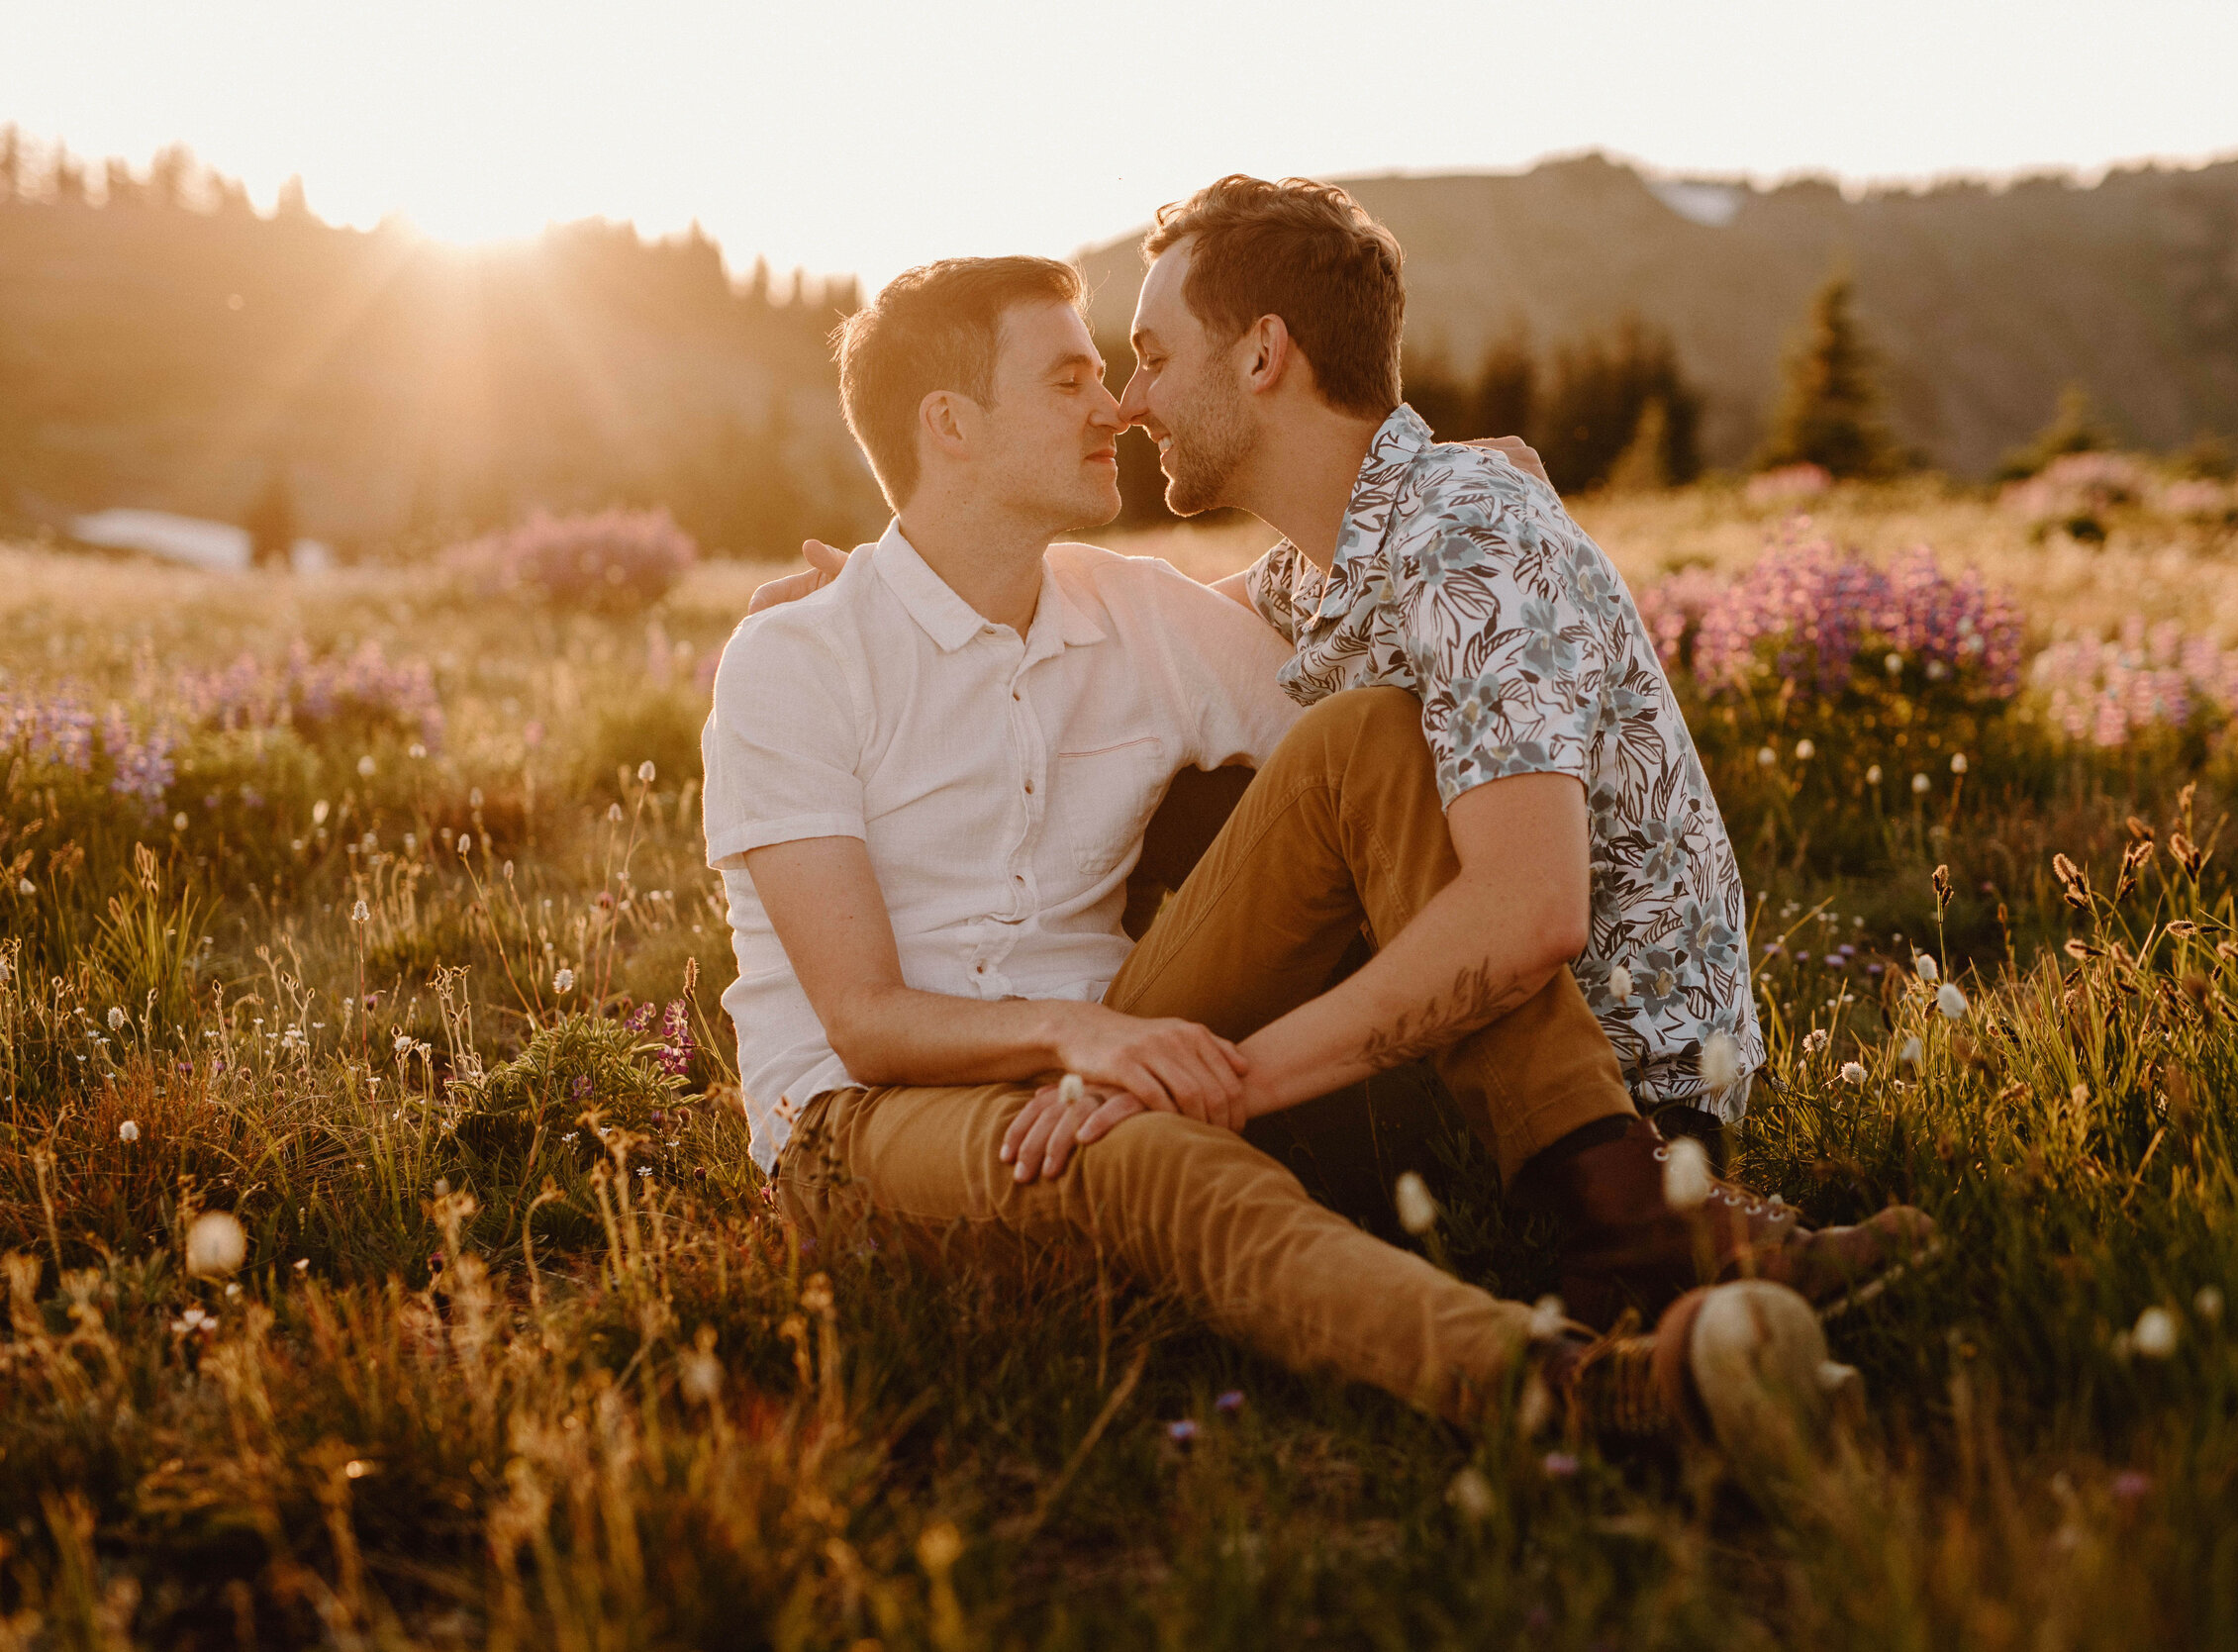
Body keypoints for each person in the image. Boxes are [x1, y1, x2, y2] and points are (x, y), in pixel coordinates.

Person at [706, 252, 1894, 1474]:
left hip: (1119, 1029)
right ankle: (1587, 1393)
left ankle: (1616, 1197)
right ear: (948, 426)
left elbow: (1369, 718)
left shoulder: (1136, 612)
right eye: (1067, 380)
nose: (1114, 405)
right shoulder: (798, 659)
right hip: (869, 1113)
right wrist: (1084, 1042)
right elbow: (863, 1020)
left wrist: (1470, 499)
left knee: (1366, 736)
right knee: (1161, 1159)